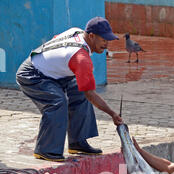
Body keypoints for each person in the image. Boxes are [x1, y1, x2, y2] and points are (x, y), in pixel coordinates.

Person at [16, 17, 123, 161]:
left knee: (81, 92)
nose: (106, 44)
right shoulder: (81, 58)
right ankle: (46, 150)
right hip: (32, 74)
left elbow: (56, 40)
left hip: (54, 74)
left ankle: (77, 143)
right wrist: (112, 113)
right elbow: (91, 95)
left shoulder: (77, 32)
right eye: (104, 40)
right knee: (58, 102)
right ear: (91, 36)